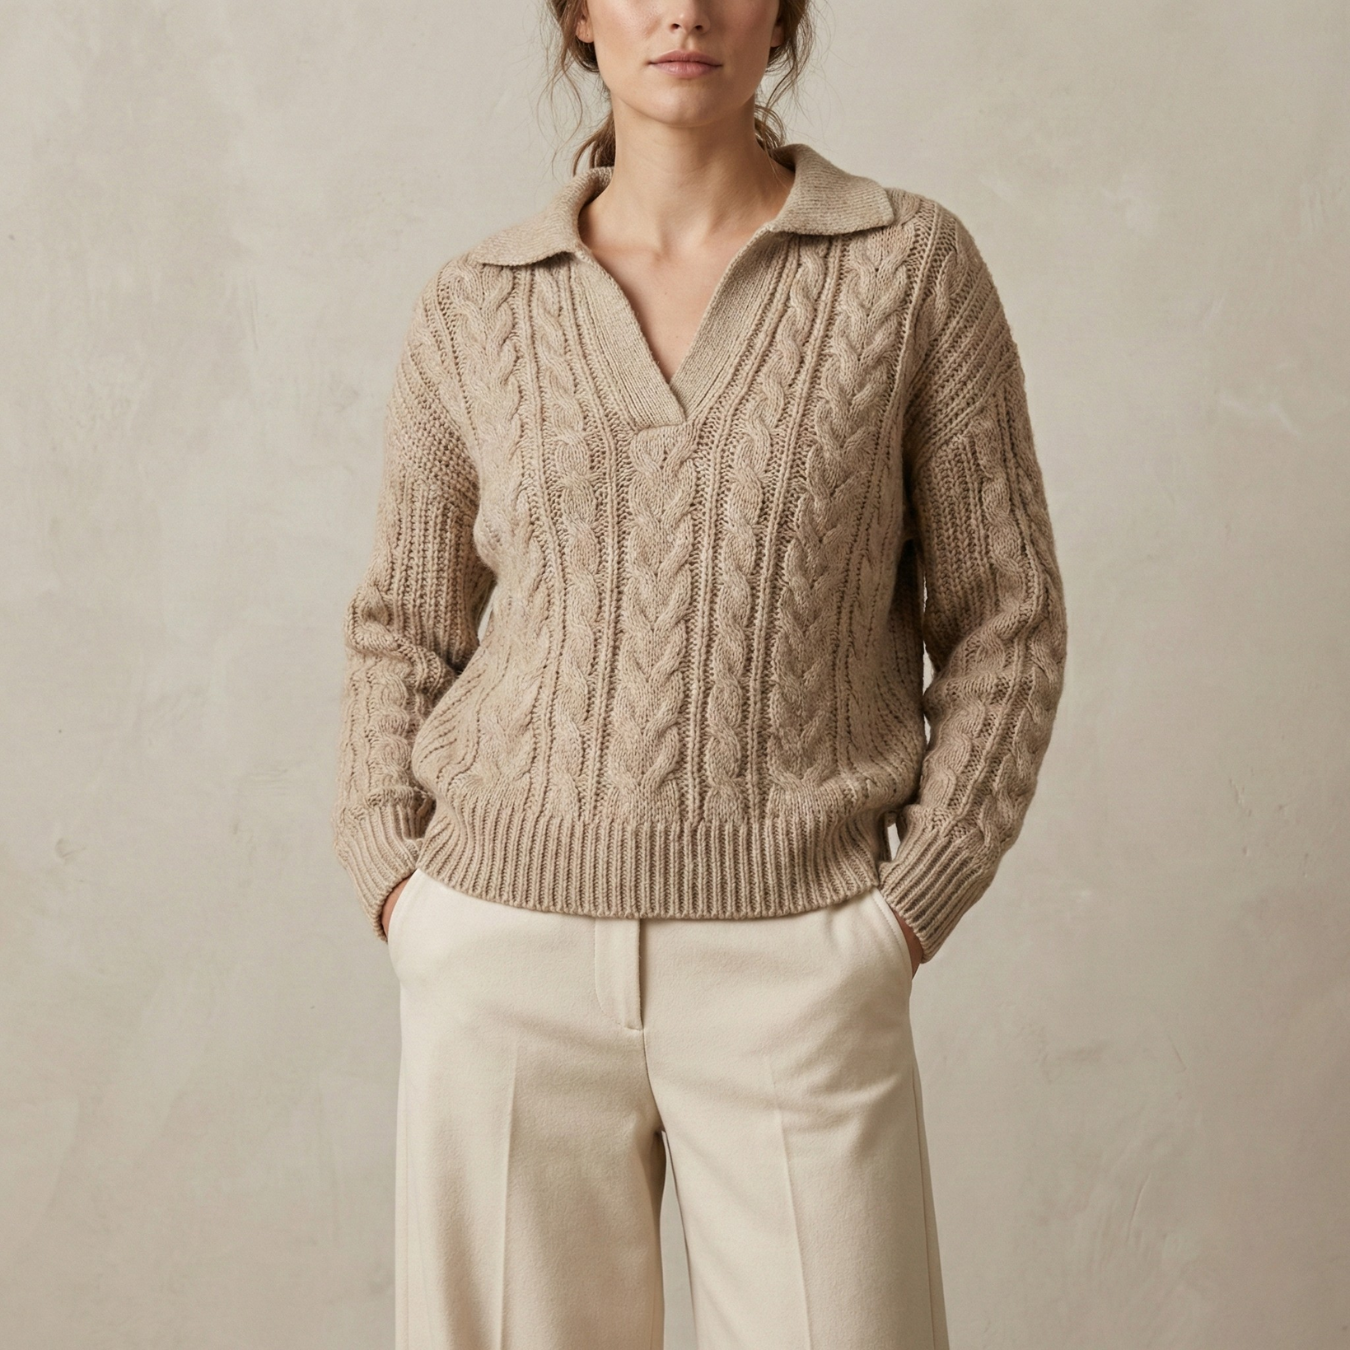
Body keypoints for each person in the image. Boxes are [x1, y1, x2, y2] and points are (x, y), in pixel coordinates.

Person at [332, 0, 1068, 1345]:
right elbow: (403, 625)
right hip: (503, 952)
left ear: (783, 11)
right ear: (578, 15)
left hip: (798, 953)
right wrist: (400, 882)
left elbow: (1005, 617)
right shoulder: (478, 303)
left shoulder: (908, 270)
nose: (683, 9)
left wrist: (905, 912)